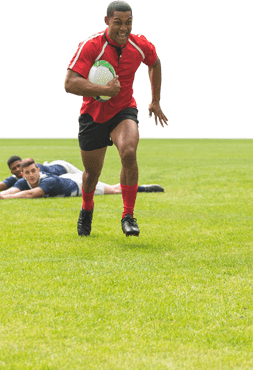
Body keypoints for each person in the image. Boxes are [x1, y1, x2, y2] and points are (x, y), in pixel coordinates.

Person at [63, 0, 169, 237]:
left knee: (129, 153)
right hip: (93, 114)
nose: (124, 28)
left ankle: (128, 215)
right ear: (107, 21)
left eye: (129, 22)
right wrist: (101, 90)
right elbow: (69, 83)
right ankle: (87, 209)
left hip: (123, 110)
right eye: (118, 23)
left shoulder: (140, 44)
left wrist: (155, 101)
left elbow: (155, 63)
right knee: (92, 174)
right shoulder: (90, 45)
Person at [0, 158, 163, 199]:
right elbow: (14, 189)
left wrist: (4, 197)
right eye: (28, 173)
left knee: (114, 190)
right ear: (23, 174)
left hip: (77, 183)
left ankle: (144, 188)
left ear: (38, 169)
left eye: (34, 171)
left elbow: (32, 194)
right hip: (67, 176)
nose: (32, 175)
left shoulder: (47, 180)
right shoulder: (22, 181)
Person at [0, 156, 80, 193]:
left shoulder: (34, 171)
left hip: (63, 167)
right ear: (12, 171)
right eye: (14, 168)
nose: (17, 168)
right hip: (63, 177)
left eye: (19, 165)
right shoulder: (17, 178)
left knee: (85, 178)